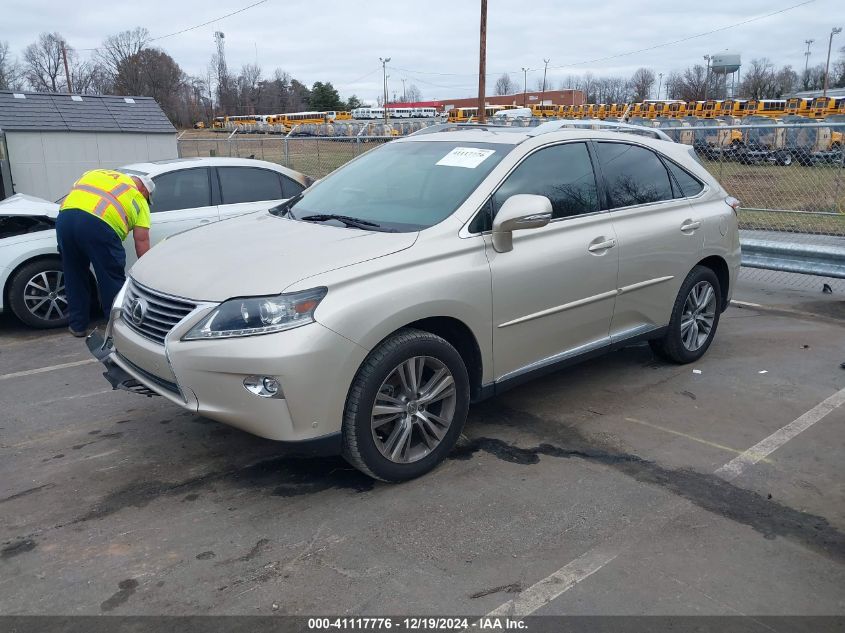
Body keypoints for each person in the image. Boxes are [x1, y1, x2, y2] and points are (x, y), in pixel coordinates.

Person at [56, 169, 154, 337]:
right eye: (147, 197)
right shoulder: (137, 196)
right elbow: (141, 240)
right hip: (99, 225)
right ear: (144, 190)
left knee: (74, 275)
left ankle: (77, 325)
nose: (146, 200)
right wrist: (149, 270)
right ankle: (116, 328)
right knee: (111, 278)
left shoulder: (96, 174)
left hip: (65, 219)